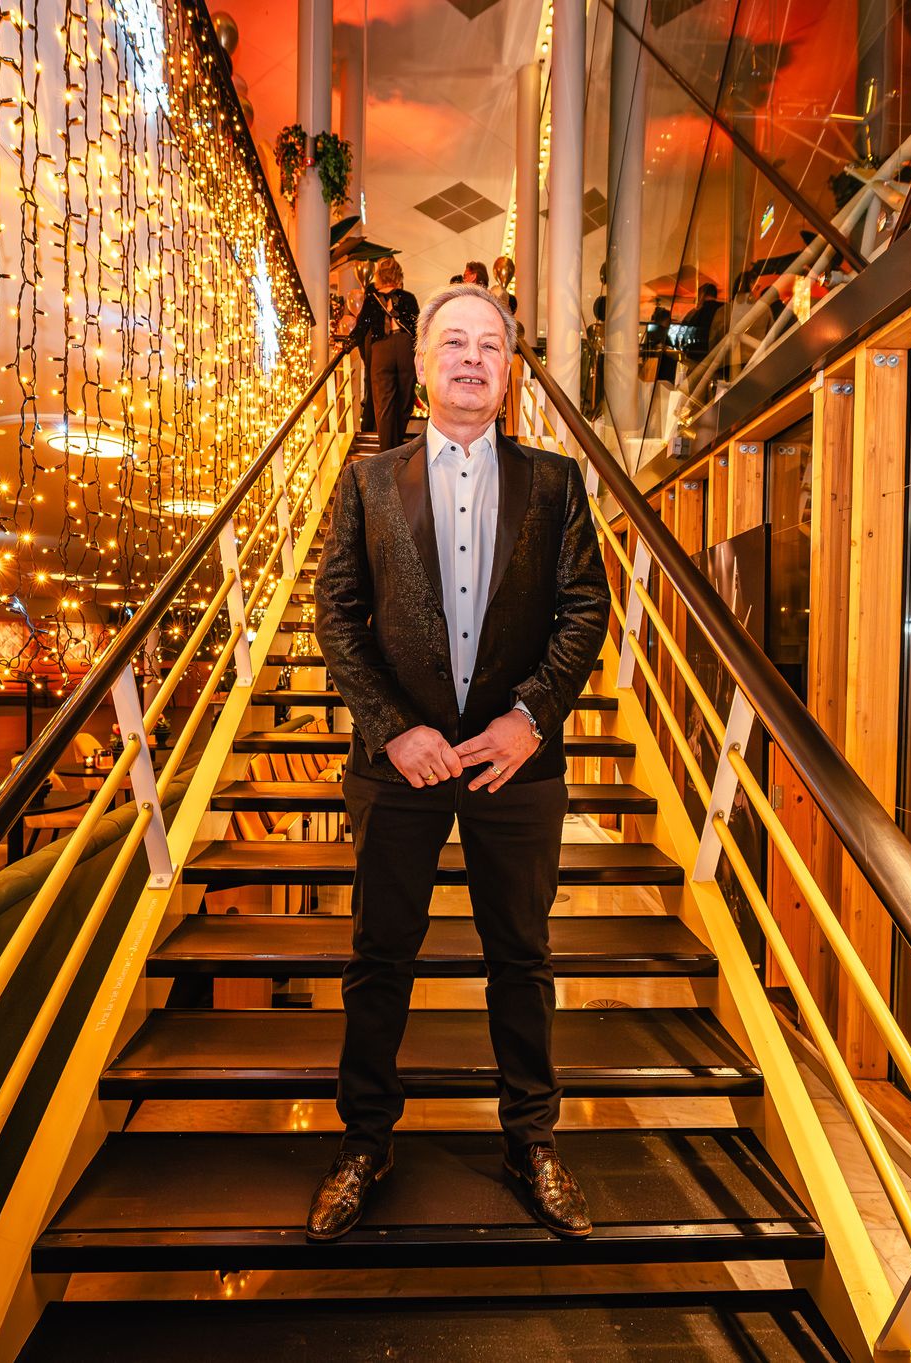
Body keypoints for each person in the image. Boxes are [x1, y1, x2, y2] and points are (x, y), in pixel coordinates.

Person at [308, 283, 611, 1244]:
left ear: (508, 370)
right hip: (397, 764)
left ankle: (532, 1141)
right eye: (455, 342)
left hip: (514, 765)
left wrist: (531, 718)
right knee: (379, 956)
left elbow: (586, 608)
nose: (473, 357)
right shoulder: (366, 481)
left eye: (490, 344)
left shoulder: (556, 482)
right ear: (424, 365)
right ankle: (365, 1142)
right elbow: (335, 614)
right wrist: (394, 728)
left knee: (521, 957)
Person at [342, 256, 419, 452]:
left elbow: (361, 328)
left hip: (381, 351)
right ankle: (396, 444)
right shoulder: (408, 298)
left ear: (379, 276)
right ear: (398, 275)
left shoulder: (372, 300)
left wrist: (345, 346)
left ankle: (387, 451)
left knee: (383, 405)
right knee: (404, 401)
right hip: (405, 347)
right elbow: (418, 327)